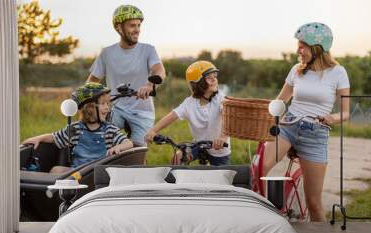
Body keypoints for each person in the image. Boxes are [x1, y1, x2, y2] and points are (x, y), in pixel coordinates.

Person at [262, 22, 350, 221]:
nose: (298, 50)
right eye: (298, 45)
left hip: (315, 133)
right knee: (258, 169)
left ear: (317, 48)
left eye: (303, 45)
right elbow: (280, 100)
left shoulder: (338, 72)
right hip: (288, 126)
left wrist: (332, 118)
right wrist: (266, 112)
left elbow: (346, 113)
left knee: (314, 203)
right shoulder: (297, 70)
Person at [87, 5, 166, 147]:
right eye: (132, 25)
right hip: (115, 108)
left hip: (142, 111)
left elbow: (159, 70)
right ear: (119, 28)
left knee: (137, 151)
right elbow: (92, 80)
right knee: (98, 139)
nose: (137, 29)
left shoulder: (148, 49)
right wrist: (89, 98)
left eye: (139, 25)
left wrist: (150, 85)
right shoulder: (107, 53)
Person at [22, 83, 133, 173]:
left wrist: (119, 147)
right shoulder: (75, 129)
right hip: (76, 172)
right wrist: (38, 139)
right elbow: (54, 137)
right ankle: (57, 199)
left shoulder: (109, 129)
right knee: (56, 170)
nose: (107, 108)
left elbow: (129, 143)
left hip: (98, 174)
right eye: (103, 104)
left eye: (108, 104)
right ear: (89, 108)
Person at [145, 60, 231, 166]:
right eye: (209, 78)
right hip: (199, 145)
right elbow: (172, 116)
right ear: (198, 83)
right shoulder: (189, 103)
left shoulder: (221, 98)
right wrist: (153, 130)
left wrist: (222, 138)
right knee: (178, 157)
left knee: (221, 178)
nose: (214, 80)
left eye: (215, 76)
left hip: (219, 149)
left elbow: (228, 118)